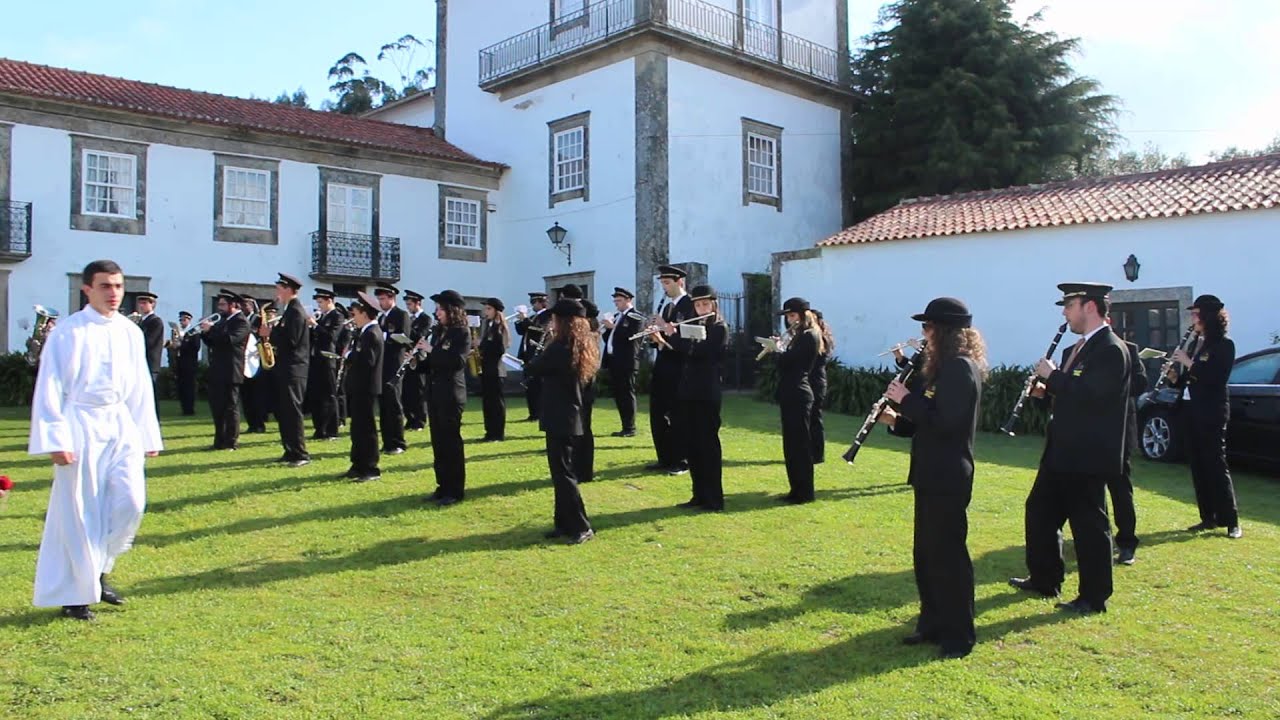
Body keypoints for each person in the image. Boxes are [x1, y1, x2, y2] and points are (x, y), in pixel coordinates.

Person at [28, 259, 162, 621]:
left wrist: (146, 431)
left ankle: (100, 571)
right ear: (87, 289)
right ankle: (76, 594)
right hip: (80, 423)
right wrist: (56, 437)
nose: (114, 293)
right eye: (105, 286)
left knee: (130, 503)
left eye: (118, 286)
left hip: (120, 422)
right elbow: (51, 386)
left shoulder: (129, 332)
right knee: (80, 509)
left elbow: (139, 385)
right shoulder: (68, 332)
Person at [1010, 282, 1129, 615]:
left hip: (1088, 455)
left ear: (1089, 306)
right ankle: (1045, 578)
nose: (1064, 312)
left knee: (1089, 525)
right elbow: (1069, 396)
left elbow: (1093, 394)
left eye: (1069, 304)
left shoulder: (1110, 349)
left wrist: (1053, 378)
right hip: (1060, 450)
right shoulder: (1073, 350)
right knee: (1039, 512)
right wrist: (1043, 393)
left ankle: (1094, 597)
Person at [879, 297, 986, 660]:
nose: (923, 335)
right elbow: (926, 420)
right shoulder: (941, 370)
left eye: (927, 328)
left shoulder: (960, 368)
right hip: (929, 471)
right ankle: (931, 623)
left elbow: (947, 422)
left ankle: (959, 635)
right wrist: (896, 419)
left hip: (948, 474)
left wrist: (905, 399)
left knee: (949, 557)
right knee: (926, 554)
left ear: (943, 331)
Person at [525, 298, 598, 544]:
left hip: (561, 414)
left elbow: (536, 366)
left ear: (563, 322)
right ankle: (563, 523)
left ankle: (580, 525)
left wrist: (543, 346)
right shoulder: (577, 344)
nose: (551, 324)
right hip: (566, 413)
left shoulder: (561, 347)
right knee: (560, 472)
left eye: (554, 319)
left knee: (564, 473)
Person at [1174, 294, 1241, 539]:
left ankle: (1231, 520)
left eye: (1196, 314)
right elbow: (1192, 379)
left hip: (1211, 413)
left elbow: (1215, 377)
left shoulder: (1224, 345)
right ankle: (1207, 517)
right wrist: (1175, 377)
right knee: (1198, 465)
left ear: (1208, 317)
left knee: (1215, 464)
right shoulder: (1197, 343)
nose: (1193, 318)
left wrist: (1189, 363)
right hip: (1191, 411)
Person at [674, 285, 729, 511]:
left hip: (707, 392)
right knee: (692, 445)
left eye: (705, 304)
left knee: (708, 445)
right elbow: (685, 354)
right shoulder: (692, 326)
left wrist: (674, 338)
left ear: (713, 305)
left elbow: (702, 353)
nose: (701, 308)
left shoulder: (719, 328)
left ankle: (714, 498)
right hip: (689, 392)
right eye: (697, 305)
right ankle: (698, 494)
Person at [422, 290, 472, 506]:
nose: (437, 313)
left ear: (452, 310)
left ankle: (455, 490)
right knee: (438, 443)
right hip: (435, 393)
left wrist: (431, 350)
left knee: (451, 443)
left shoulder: (461, 333)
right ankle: (442, 486)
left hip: (451, 394)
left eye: (441, 309)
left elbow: (457, 362)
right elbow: (433, 363)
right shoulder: (439, 331)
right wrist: (416, 361)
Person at [774, 297, 823, 504]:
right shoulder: (799, 336)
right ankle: (796, 489)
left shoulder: (809, 336)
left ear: (803, 315)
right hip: (791, 393)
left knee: (800, 445)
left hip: (799, 394)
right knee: (791, 445)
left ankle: (804, 492)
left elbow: (788, 363)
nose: (789, 320)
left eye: (792, 315)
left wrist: (777, 349)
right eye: (787, 316)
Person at [647, 265, 694, 475]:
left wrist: (664, 327)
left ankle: (681, 459)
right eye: (662, 283)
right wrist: (654, 337)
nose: (664, 288)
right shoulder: (667, 307)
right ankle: (664, 457)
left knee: (678, 415)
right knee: (658, 413)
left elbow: (685, 340)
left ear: (679, 282)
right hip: (663, 365)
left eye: (667, 283)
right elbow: (665, 339)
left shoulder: (689, 305)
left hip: (679, 368)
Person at [260, 273, 310, 468]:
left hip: (294, 369)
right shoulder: (289, 310)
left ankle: (300, 453)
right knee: (284, 411)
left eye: (279, 289)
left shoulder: (296, 311)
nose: (277, 293)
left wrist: (270, 334)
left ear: (288, 289)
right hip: (286, 368)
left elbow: (292, 340)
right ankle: (290, 450)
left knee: (292, 411)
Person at [1111, 330, 1147, 565]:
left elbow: (1141, 383)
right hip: (1088, 432)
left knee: (1120, 487)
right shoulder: (1076, 351)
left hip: (1119, 428)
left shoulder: (1129, 349)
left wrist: (1110, 383)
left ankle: (1127, 542)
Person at [341, 292, 383, 483]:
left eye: (355, 313)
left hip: (366, 386)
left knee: (366, 428)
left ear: (365, 313)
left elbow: (367, 361)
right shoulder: (363, 332)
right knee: (357, 427)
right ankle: (357, 464)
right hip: (357, 385)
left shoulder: (372, 333)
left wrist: (349, 356)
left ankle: (370, 467)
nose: (353, 317)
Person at [202, 290, 250, 451]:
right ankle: (219, 441)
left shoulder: (241, 321)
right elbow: (215, 343)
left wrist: (212, 330)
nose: (219, 308)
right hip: (217, 369)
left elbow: (230, 340)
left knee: (230, 408)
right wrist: (205, 334)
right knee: (217, 408)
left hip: (231, 370)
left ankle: (231, 442)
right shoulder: (223, 321)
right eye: (219, 304)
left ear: (233, 305)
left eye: (223, 304)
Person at [601, 287, 643, 438]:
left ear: (628, 300)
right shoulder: (618, 316)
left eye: (619, 301)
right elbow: (611, 339)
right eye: (615, 301)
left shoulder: (635, 316)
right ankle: (624, 426)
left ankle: (630, 427)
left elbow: (632, 337)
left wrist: (614, 327)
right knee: (619, 394)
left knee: (627, 394)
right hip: (614, 360)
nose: (616, 304)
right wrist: (607, 329)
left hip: (627, 361)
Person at [375, 283, 411, 454]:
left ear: (392, 298)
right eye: (379, 299)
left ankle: (398, 442)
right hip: (382, 364)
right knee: (384, 404)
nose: (380, 302)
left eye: (383, 298)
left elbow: (403, 338)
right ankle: (387, 441)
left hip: (394, 364)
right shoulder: (382, 317)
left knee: (394, 403)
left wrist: (384, 337)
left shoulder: (401, 315)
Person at [307, 289, 342, 441]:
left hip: (328, 359)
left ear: (329, 301)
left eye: (321, 302)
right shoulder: (322, 317)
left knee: (329, 395)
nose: (319, 305)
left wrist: (315, 325)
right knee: (316, 396)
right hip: (316, 359)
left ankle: (331, 430)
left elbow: (331, 337)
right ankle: (319, 429)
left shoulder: (337, 316)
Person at [479, 297, 511, 441]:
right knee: (487, 402)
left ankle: (498, 433)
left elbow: (500, 348)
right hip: (486, 369)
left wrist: (482, 345)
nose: (486, 311)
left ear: (496, 311)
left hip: (496, 370)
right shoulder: (488, 325)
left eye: (489, 309)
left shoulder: (499, 327)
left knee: (496, 404)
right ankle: (489, 431)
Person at [515, 291, 550, 421]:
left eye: (534, 302)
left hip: (538, 353)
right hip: (527, 354)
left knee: (537, 386)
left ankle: (539, 413)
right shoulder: (534, 316)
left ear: (541, 303)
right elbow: (521, 331)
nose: (532, 305)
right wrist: (520, 320)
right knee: (529, 386)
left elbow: (539, 330)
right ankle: (533, 413)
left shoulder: (547, 315)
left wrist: (525, 320)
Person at [401, 290, 432, 432]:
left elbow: (420, 335)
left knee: (418, 390)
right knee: (406, 390)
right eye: (406, 304)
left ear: (417, 303)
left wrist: (407, 328)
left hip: (419, 357)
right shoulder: (407, 318)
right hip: (407, 355)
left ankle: (419, 420)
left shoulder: (425, 318)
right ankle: (409, 418)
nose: (408, 307)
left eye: (410, 304)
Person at [240, 297, 270, 434]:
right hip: (244, 359)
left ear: (252, 306)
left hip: (256, 358)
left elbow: (263, 336)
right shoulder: (241, 319)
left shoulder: (258, 319)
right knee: (245, 395)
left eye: (246, 304)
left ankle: (259, 424)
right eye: (242, 305)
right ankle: (251, 423)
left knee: (256, 394)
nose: (243, 307)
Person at [810, 310, 835, 464]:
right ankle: (810, 451)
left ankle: (817, 454)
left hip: (816, 382)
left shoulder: (820, 338)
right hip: (813, 380)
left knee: (815, 418)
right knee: (811, 419)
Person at [134, 291, 164, 414]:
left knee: (150, 397)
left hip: (150, 363)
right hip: (141, 363)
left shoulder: (155, 321)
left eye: (145, 303)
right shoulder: (142, 321)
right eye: (140, 303)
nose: (141, 306)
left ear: (152, 304)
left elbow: (149, 342)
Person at [172, 311, 201, 416]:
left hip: (189, 363)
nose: (182, 322)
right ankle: (184, 408)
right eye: (180, 320)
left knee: (189, 386)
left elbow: (196, 347)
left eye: (184, 320)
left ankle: (189, 409)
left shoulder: (193, 331)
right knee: (181, 386)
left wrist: (182, 343)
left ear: (189, 320)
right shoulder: (178, 331)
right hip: (180, 362)